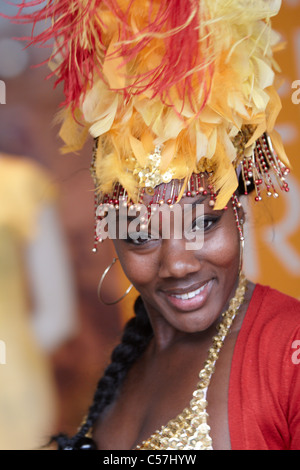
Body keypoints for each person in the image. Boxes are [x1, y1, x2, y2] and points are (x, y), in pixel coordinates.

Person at [8, 0, 300, 450]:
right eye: (141, 235)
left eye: (202, 222)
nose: (178, 264)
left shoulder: (288, 350)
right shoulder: (127, 367)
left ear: (238, 213)